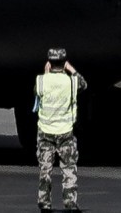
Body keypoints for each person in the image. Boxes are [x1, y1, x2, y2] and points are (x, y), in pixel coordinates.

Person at [35, 48, 87, 212]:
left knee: (45, 169)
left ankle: (44, 202)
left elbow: (38, 93)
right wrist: (72, 70)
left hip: (45, 131)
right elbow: (84, 84)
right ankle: (70, 203)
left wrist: (45, 73)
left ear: (49, 63)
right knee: (69, 169)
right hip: (65, 131)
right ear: (64, 63)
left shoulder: (41, 81)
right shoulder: (72, 82)